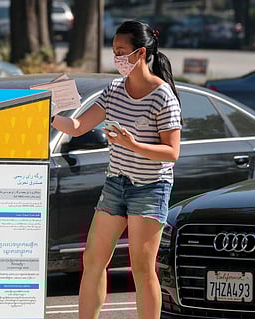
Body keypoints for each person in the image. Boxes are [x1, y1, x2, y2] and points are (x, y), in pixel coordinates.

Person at [51, 20, 182, 319]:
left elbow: (171, 153)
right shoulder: (114, 90)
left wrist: (132, 144)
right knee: (93, 259)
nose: (117, 59)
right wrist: (49, 113)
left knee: (141, 268)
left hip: (150, 188)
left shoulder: (163, 98)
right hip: (116, 184)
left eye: (122, 52)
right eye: (114, 52)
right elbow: (77, 125)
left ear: (141, 53)